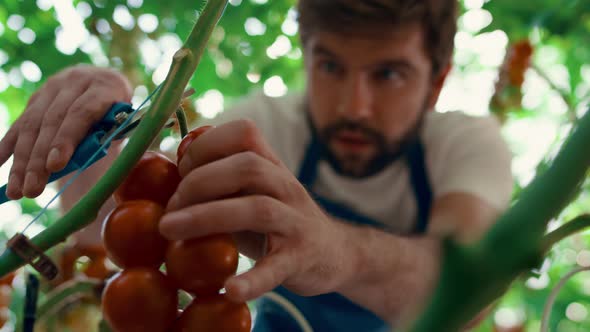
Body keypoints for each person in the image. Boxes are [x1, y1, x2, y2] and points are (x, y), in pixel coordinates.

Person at [0, 0, 514, 330]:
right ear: (306, 57)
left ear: (438, 81)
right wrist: (101, 128)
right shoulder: (262, 125)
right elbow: (106, 231)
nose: (355, 105)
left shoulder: (465, 143)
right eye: (331, 66)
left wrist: (337, 251)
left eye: (390, 74)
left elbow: (471, 290)